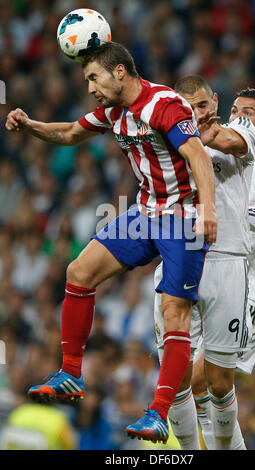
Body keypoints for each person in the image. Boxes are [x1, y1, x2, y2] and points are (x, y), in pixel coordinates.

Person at [5, 41, 217, 444]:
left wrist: (207, 211)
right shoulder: (112, 112)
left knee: (175, 315)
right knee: (78, 272)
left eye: (93, 77)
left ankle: (158, 414)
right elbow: (69, 133)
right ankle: (70, 372)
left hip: (182, 218)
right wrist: (31, 125)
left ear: (120, 72)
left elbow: (199, 158)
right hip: (145, 212)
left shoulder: (165, 105)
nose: (89, 88)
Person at [153, 76, 255, 450]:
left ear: (215, 100)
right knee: (176, 374)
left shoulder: (240, 125)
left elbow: (226, 141)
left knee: (218, 380)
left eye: (202, 105)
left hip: (227, 260)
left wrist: (186, 129)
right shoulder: (165, 137)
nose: (197, 113)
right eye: (187, 108)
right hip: (178, 255)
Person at [191, 88, 255, 450]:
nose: (238, 116)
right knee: (207, 386)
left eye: (248, 113)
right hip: (223, 283)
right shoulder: (221, 162)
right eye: (234, 109)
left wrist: (230, 213)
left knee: (199, 379)